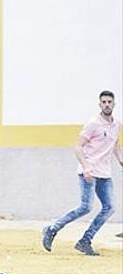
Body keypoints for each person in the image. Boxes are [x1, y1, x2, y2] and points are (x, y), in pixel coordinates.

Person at [42, 91, 121, 255]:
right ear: (99, 104)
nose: (107, 104)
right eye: (104, 102)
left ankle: (85, 241)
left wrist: (121, 159)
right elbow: (78, 147)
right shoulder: (93, 124)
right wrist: (86, 167)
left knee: (109, 207)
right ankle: (52, 229)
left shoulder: (116, 124)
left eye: (109, 102)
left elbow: (115, 144)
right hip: (89, 172)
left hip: (105, 174)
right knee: (86, 207)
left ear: (114, 104)